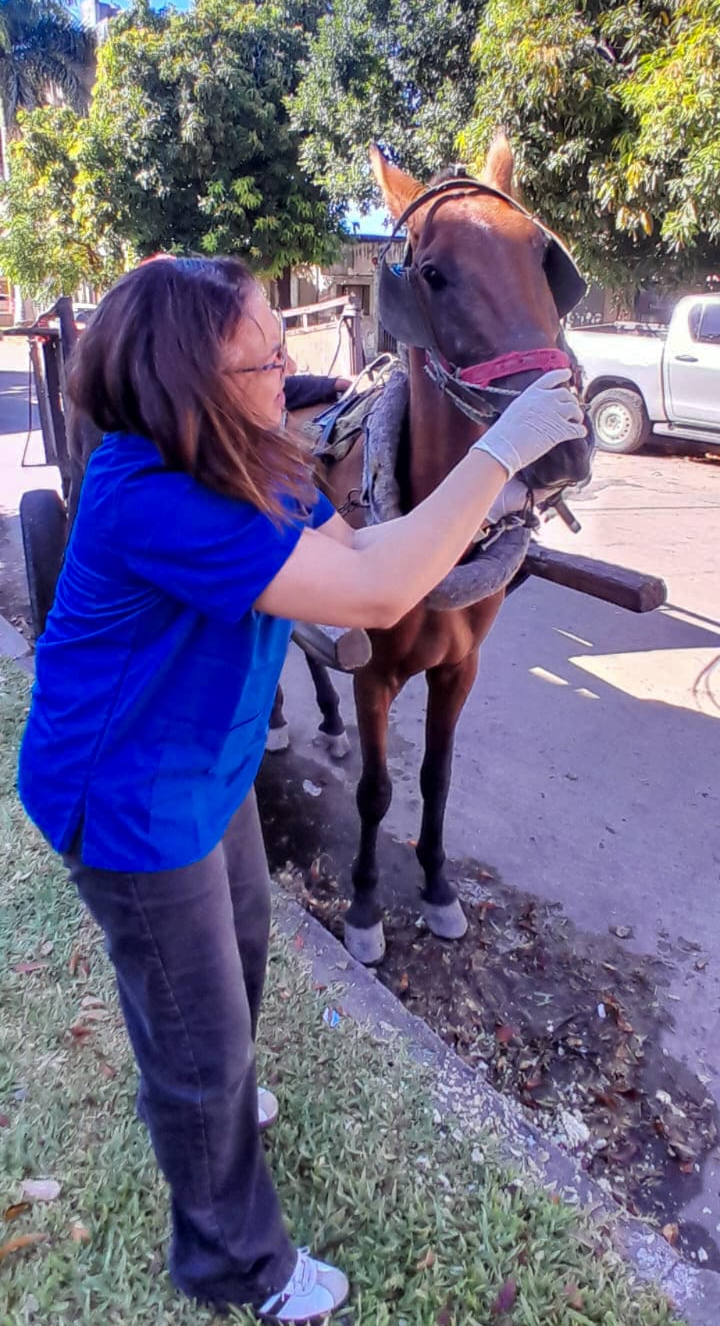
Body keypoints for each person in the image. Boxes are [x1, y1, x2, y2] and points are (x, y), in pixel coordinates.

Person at [17, 256, 585, 1322]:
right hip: (130, 796)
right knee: (198, 1039)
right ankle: (233, 1260)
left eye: (284, 349)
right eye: (264, 360)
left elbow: (363, 548)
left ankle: (211, 1097)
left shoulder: (253, 454)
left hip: (208, 763)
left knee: (234, 956)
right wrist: (502, 449)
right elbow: (373, 590)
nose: (288, 371)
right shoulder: (152, 497)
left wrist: (492, 499)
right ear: (189, 376)